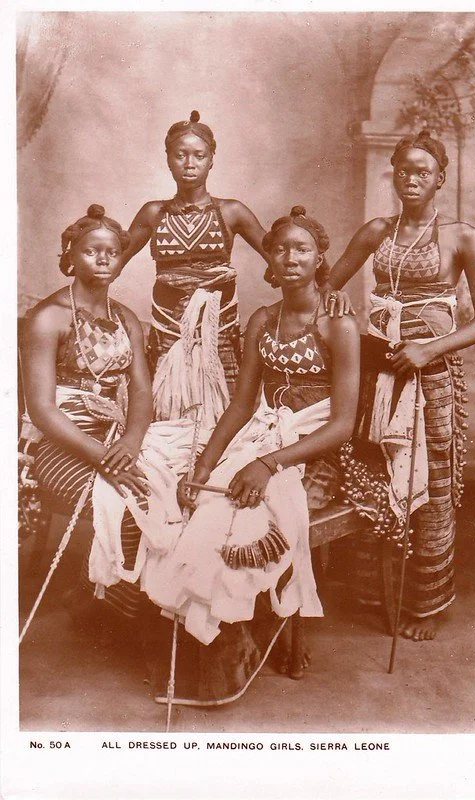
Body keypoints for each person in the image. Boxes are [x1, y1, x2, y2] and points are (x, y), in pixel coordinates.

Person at [141, 205, 360, 704]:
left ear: (319, 258)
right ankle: (219, 640)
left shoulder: (337, 325)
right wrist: (202, 466)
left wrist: (268, 464)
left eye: (301, 249)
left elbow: (343, 425)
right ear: (268, 257)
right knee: (202, 505)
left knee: (248, 514)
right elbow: (242, 404)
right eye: (279, 248)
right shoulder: (263, 319)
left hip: (315, 448)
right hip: (263, 435)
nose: (289, 257)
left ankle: (239, 636)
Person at [323, 129, 475, 641]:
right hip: (379, 370)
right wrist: (336, 302)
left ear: (441, 179)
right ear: (392, 176)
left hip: (431, 375)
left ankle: (424, 605)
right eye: (403, 170)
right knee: (374, 474)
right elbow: (328, 282)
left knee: (430, 484)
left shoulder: (460, 236)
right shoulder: (376, 230)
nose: (412, 179)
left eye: (423, 171)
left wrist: (429, 349)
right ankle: (373, 593)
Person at [21, 204, 157, 619]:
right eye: (90, 251)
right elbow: (42, 410)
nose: (102, 260)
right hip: (61, 442)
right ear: (70, 257)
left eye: (111, 252)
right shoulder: (49, 318)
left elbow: (140, 389)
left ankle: (110, 597)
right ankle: (108, 608)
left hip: (116, 438)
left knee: (164, 495)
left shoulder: (128, 319)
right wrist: (101, 458)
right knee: (129, 504)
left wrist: (131, 441)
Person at [121, 110, 269, 426]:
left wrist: (327, 289)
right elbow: (111, 262)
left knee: (223, 416)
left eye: (199, 155)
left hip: (220, 337)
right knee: (164, 418)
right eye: (181, 155)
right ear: (168, 159)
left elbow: (282, 256)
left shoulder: (231, 212)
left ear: (211, 159)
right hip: (167, 337)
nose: (190, 163)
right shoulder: (153, 213)